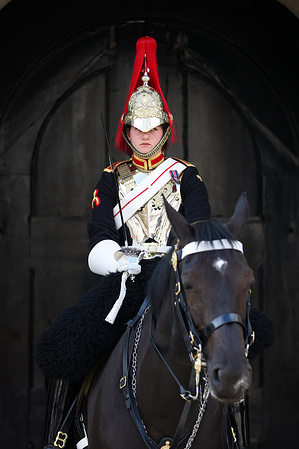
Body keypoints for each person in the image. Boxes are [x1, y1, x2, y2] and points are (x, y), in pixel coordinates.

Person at [34, 36, 210, 448]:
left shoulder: (187, 176)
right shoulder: (110, 178)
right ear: (126, 129)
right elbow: (98, 236)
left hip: (177, 279)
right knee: (67, 345)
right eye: (138, 127)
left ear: (165, 128)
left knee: (238, 334)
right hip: (126, 281)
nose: (146, 136)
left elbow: (199, 231)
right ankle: (64, 432)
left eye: (153, 128)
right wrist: (118, 259)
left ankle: (234, 430)